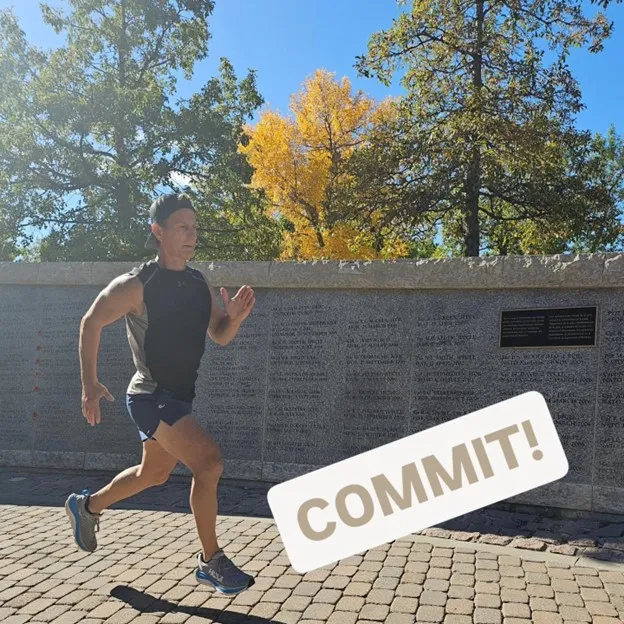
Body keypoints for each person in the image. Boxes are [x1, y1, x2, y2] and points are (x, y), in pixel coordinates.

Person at [65, 193, 256, 595]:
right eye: (183, 226)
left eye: (195, 227)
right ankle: (211, 561)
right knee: (208, 462)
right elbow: (90, 322)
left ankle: (87, 506)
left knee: (152, 474)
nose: (192, 234)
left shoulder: (198, 283)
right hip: (151, 396)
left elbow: (219, 335)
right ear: (158, 231)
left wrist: (234, 319)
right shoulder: (137, 285)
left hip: (178, 398)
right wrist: (89, 383)